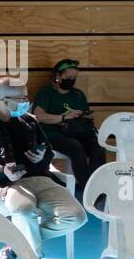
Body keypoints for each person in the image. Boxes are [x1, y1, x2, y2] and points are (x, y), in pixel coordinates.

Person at [0, 77, 88, 259]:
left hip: (41, 179)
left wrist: (42, 157)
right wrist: (1, 170)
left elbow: (47, 151)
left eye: (26, 98)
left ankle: (15, 245)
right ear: (3, 100)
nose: (25, 103)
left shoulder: (29, 121)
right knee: (24, 210)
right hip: (7, 184)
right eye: (21, 99)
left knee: (77, 216)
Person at [31, 59, 107, 189]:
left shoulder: (78, 94)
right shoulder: (46, 92)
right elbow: (38, 116)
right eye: (68, 77)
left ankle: (96, 187)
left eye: (74, 78)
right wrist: (64, 117)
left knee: (98, 148)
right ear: (57, 76)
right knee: (76, 148)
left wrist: (85, 116)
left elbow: (84, 113)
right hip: (52, 133)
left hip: (77, 131)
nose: (71, 80)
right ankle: (86, 188)